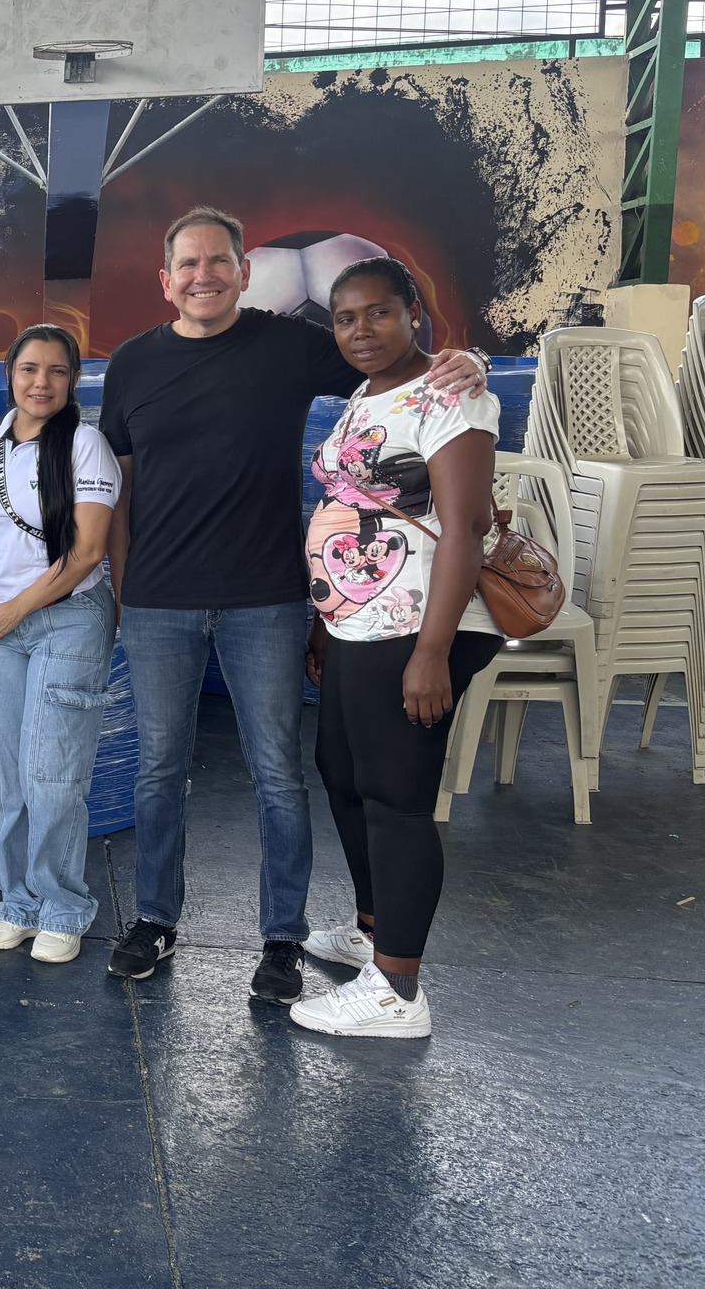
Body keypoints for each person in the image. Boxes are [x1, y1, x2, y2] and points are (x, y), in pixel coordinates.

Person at [101, 205, 487, 1003]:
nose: (204, 276)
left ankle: (282, 937)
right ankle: (154, 920)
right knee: (158, 769)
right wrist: (123, 591)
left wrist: (467, 361)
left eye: (219, 261)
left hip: (266, 600)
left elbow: (396, 370)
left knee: (277, 772)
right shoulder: (133, 364)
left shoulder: (289, 344)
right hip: (160, 602)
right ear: (166, 280)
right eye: (188, 264)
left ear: (245, 273)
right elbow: (122, 491)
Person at [293, 258, 501, 1038]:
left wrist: (433, 651)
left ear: (414, 312)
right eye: (346, 318)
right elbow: (351, 505)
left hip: (416, 626)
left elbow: (467, 526)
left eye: (378, 312)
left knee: (395, 796)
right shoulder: (365, 396)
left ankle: (398, 991)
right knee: (341, 771)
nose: (360, 330)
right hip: (358, 622)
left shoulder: (453, 395)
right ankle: (373, 929)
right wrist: (326, 619)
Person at [0, 326, 120, 964]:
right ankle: (16, 903)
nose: (40, 382)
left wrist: (13, 611)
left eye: (55, 371)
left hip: (63, 619)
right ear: (10, 374)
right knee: (6, 777)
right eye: (28, 369)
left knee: (52, 777)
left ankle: (63, 906)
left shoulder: (85, 445)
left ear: (72, 380)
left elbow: (88, 552)